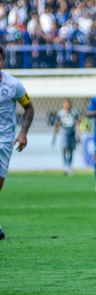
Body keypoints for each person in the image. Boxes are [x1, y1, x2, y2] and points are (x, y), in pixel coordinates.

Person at [0, 46, 35, 239]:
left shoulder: (13, 85)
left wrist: (23, 133)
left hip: (5, 141)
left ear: (2, 61)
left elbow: (29, 108)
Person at [52, 98, 81, 175]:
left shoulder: (74, 112)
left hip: (72, 133)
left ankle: (69, 166)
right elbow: (57, 124)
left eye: (68, 104)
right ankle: (65, 165)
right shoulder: (60, 113)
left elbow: (77, 123)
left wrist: (78, 134)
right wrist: (54, 136)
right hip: (63, 133)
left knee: (71, 150)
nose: (66, 106)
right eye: (65, 104)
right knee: (64, 149)